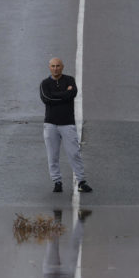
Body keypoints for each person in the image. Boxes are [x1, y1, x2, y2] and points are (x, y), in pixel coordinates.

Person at [40, 57, 92, 194]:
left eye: (58, 66)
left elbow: (72, 94)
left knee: (74, 153)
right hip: (50, 124)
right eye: (53, 66)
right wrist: (64, 94)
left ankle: (81, 181)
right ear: (49, 67)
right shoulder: (44, 83)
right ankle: (57, 181)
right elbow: (47, 98)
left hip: (67, 124)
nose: (55, 68)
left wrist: (57, 96)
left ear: (62, 67)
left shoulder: (70, 80)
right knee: (52, 155)